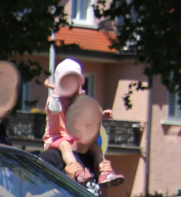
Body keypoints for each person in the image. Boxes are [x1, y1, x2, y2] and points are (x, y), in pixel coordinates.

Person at [43, 58, 123, 187]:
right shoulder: (55, 99)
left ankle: (105, 172)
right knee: (65, 146)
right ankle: (77, 171)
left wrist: (101, 115)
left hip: (75, 137)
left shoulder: (80, 99)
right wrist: (56, 91)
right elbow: (54, 108)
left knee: (96, 147)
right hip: (58, 137)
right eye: (66, 81)